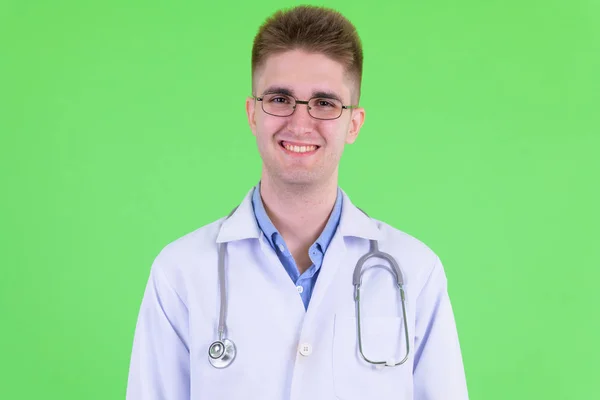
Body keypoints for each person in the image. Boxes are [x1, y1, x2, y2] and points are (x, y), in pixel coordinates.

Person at [126, 5, 468, 399]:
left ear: (353, 123)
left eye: (324, 102)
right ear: (253, 114)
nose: (300, 122)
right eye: (280, 98)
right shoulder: (180, 273)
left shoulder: (415, 271)